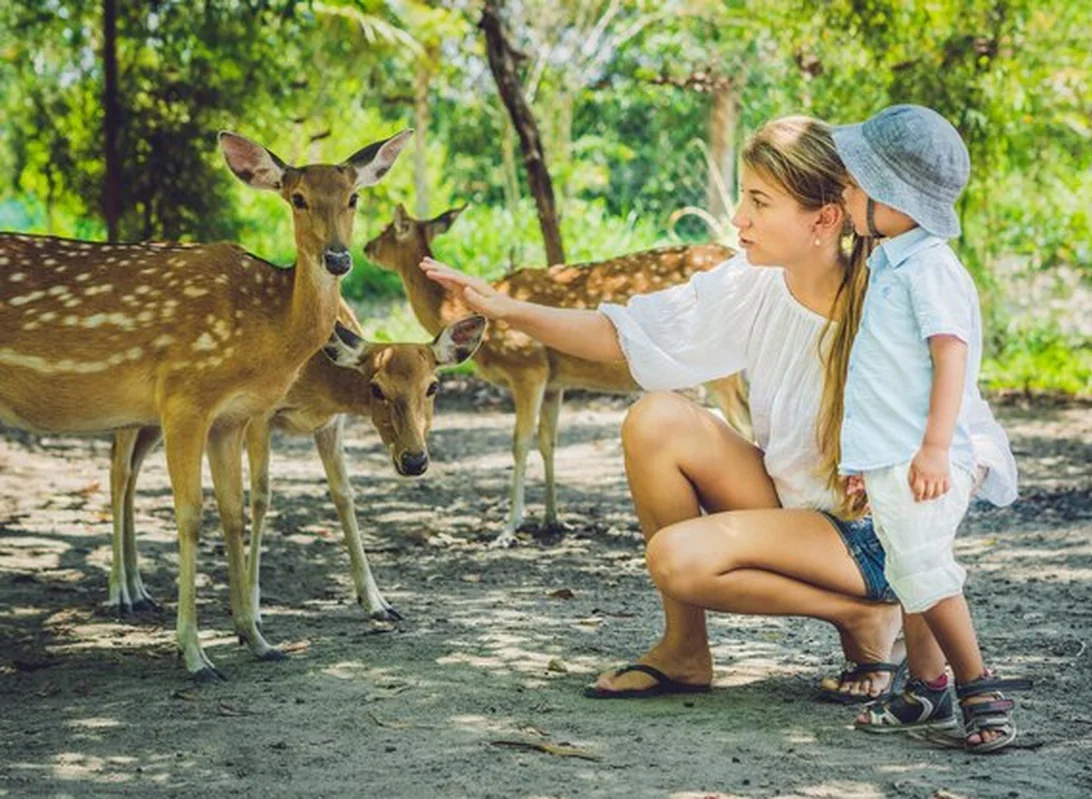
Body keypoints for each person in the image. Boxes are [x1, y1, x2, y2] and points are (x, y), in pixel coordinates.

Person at [419, 114, 1016, 705]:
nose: (738, 219)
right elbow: (624, 334)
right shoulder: (755, 285)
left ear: (825, 218)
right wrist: (508, 308)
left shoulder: (894, 298)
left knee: (677, 559)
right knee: (656, 419)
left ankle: (869, 615)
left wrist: (914, 486)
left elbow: (966, 434)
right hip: (796, 510)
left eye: (759, 201)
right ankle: (688, 650)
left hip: (873, 537)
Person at [832, 104, 1030, 753]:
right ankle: (926, 689)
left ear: (894, 199)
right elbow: (886, 378)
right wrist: (864, 459)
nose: (844, 192)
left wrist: (936, 447)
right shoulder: (890, 265)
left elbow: (952, 355)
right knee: (911, 569)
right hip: (894, 455)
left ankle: (979, 687)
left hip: (929, 455)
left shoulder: (931, 269)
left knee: (925, 568)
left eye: (854, 184)